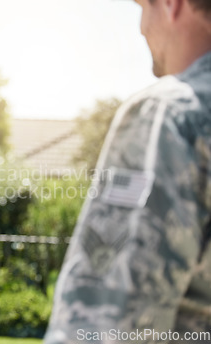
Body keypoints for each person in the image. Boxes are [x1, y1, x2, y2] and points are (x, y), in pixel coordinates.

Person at [45, 0, 211, 343]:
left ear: (170, 5)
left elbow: (105, 325)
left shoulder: (170, 113)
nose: (139, 27)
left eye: (142, 7)